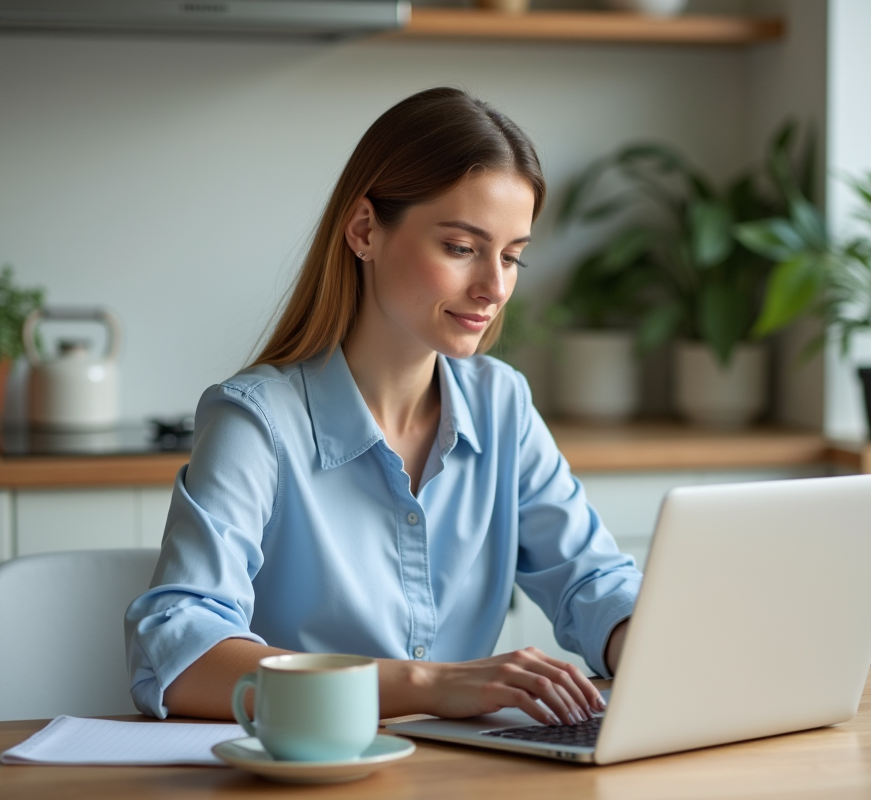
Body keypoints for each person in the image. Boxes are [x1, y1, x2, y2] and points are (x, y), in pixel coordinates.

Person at [125, 87, 643, 728]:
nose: (494, 287)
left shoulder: (501, 403)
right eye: (461, 248)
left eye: (512, 257)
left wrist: (652, 645)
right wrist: (429, 685)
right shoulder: (257, 422)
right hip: (307, 768)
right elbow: (182, 654)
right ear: (365, 230)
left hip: (463, 770)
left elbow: (591, 583)